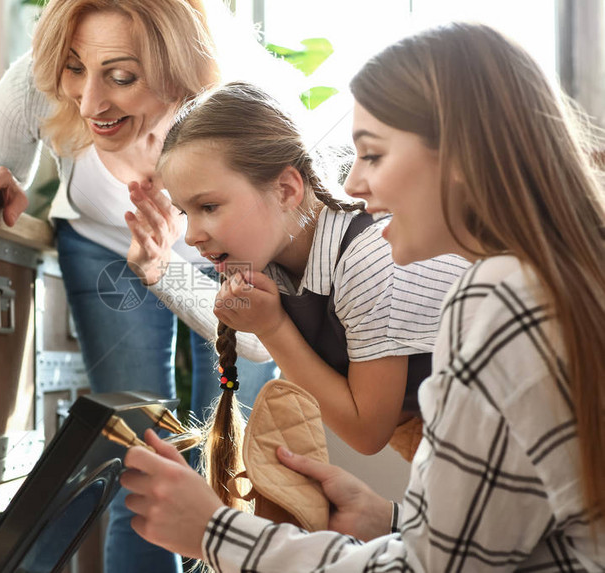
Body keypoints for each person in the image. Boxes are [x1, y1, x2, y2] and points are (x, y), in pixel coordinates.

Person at [120, 22, 605, 571]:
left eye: (372, 155)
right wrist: (392, 520)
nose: (351, 184)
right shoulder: (524, 285)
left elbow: (428, 558)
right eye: (186, 212)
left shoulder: (488, 296)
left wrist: (218, 534)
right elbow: (503, 531)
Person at [0, 1, 285, 572]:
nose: (89, 103)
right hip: (106, 249)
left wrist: (167, 269)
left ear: (180, 68)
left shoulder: (246, 108)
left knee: (233, 464)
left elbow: (261, 338)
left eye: (122, 77)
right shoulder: (44, 73)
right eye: (76, 69)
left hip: (231, 262)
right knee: (143, 459)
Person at [126, 81, 468, 464]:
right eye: (186, 213)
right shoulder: (267, 248)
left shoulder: (369, 256)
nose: (190, 236)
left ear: (287, 189)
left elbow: (368, 431)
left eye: (209, 206)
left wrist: (274, 327)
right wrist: (160, 269)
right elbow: (255, 341)